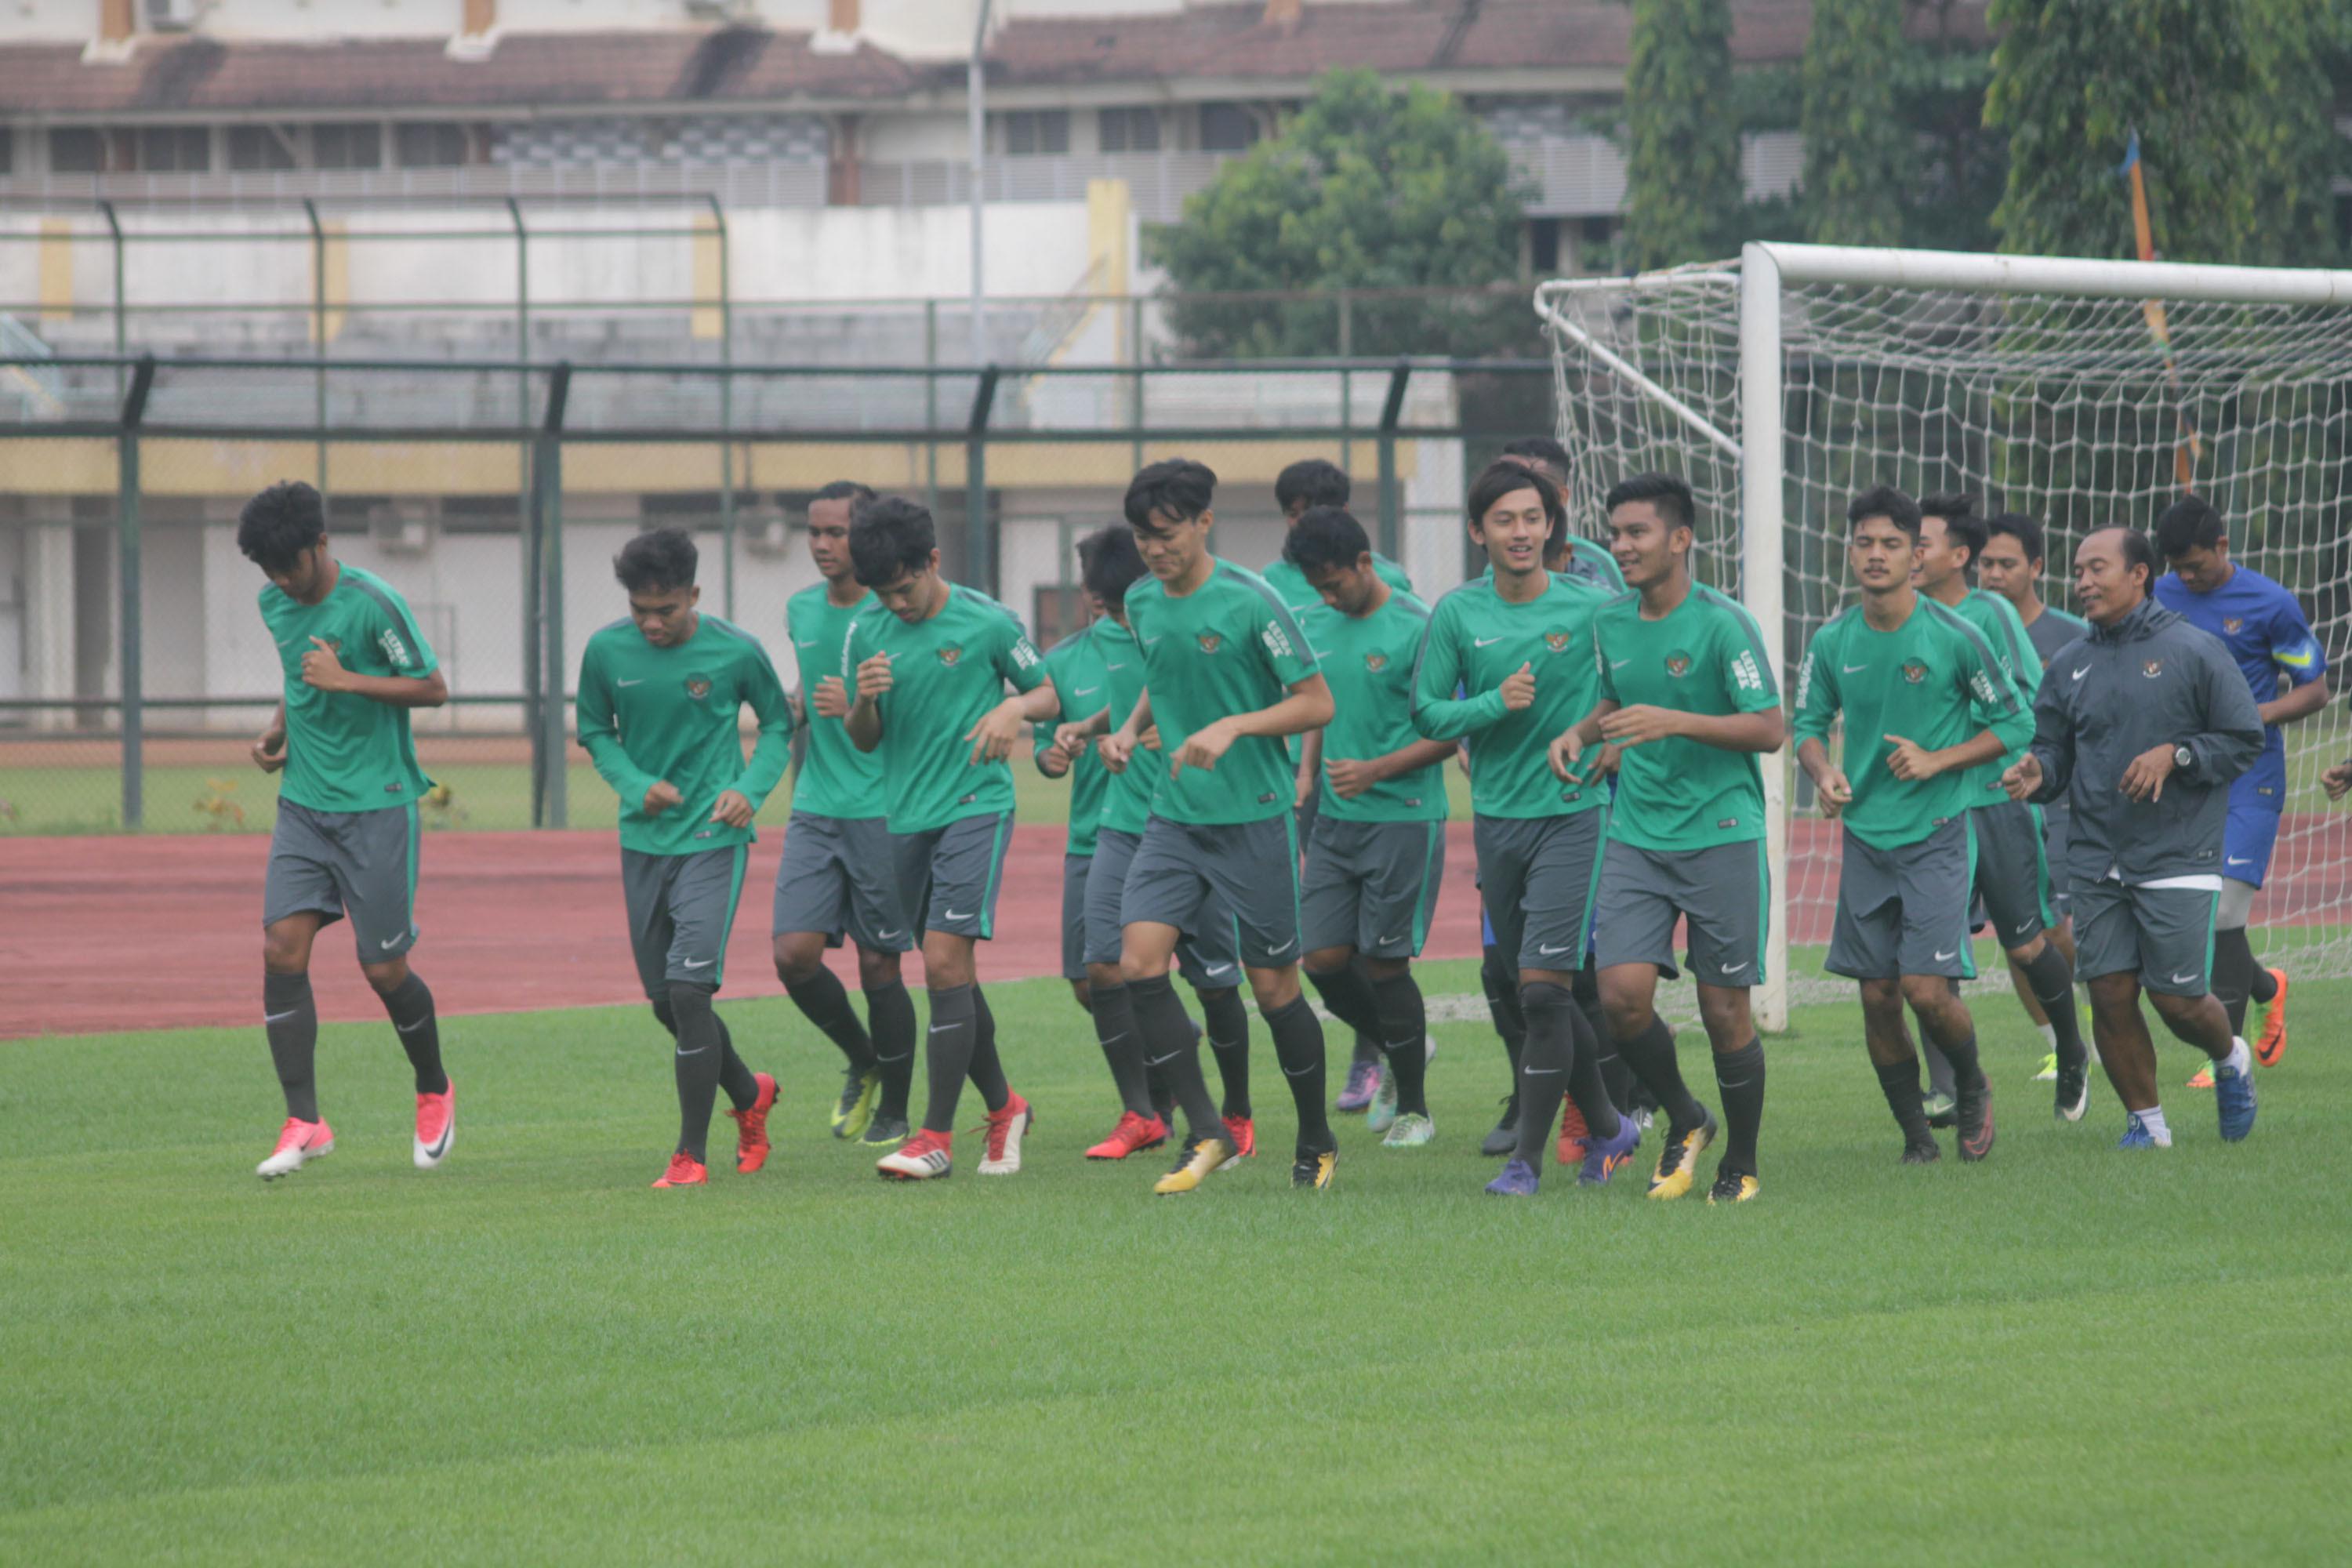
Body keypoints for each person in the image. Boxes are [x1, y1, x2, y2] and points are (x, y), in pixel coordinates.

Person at [1101, 458, 1340, 1193]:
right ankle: (1208, 1132)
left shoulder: (1251, 603)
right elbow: (1161, 674)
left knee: (1274, 992)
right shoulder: (1141, 601)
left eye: (1167, 534)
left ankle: (1317, 1138)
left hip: (1255, 822)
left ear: (1205, 523)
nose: (1154, 549)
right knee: (1137, 966)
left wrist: (1234, 725)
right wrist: (1128, 727)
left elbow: (1316, 702)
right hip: (1174, 818)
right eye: (1143, 537)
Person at [1552, 473, 1783, 1204]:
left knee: (1724, 1012)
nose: (1621, 546)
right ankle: (1687, 1117)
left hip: (1721, 834)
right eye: (1615, 533)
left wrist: (1673, 721)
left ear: (1681, 539)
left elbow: (1770, 729)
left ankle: (1740, 1163)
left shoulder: (1724, 624)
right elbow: (1619, 698)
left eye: (1637, 533)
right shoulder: (1610, 622)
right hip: (1637, 833)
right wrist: (1582, 732)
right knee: (1621, 998)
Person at [1413, 460, 1640, 1197]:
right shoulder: (1456, 614)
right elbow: (1426, 714)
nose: (1522, 532)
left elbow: (1630, 688)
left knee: (1544, 992)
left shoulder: (1593, 607)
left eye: (1533, 518)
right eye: (1505, 520)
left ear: (1552, 526)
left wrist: (1604, 738)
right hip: (1498, 823)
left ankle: (1529, 1160)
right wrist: (1492, 706)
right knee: (1532, 988)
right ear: (1479, 531)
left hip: (1575, 815)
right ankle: (1612, 1126)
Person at [2002, 527, 2266, 1149]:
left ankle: (2231, 1056)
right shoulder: (2068, 663)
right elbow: (2052, 750)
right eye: (2079, 571)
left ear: (2139, 574)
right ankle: (2148, 1125)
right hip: (2096, 856)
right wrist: (2038, 773)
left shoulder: (2195, 650)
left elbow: (2243, 738)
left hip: (2178, 850)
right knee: (2111, 992)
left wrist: (2175, 755)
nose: (2084, 582)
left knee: (2176, 1002)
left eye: (2098, 569)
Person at [1792, 485, 2028, 1165]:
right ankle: (1915, 1135)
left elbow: (2014, 723)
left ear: (1915, 554)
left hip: (1938, 833)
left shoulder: (1957, 636)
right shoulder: (1834, 639)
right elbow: (1806, 726)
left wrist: (1939, 760)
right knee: (1877, 998)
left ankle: (1974, 1086)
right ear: (1850, 551)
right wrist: (1823, 771)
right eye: (1864, 543)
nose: (1875, 555)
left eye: (1891, 544)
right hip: (1866, 839)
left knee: (1926, 990)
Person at [240, 481, 456, 1181]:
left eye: (291, 567)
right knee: (281, 948)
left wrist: (347, 681)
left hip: (378, 805)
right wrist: (278, 730)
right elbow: (300, 677)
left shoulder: (371, 603)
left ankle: (433, 1089)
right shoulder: (275, 601)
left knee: (383, 968)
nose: (281, 582)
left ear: (322, 545)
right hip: (303, 803)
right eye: (269, 572)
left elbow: (431, 686)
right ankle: (306, 1119)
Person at [844, 499, 1060, 1181]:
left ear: (933, 562)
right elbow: (862, 739)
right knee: (952, 974)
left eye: (904, 587)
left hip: (977, 805)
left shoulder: (990, 622)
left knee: (941, 963)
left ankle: (934, 1137)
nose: (895, 603)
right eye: (882, 592)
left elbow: (1050, 694)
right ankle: (1005, 1107)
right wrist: (865, 699)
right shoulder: (865, 630)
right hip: (905, 816)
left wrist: (1012, 706)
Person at [576, 527, 791, 1189]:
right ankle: (750, 1092)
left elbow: (779, 724)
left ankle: (689, 1156)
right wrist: (635, 785)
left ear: (693, 595)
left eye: (665, 610)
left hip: (711, 840)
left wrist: (749, 790)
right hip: (642, 843)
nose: (651, 623)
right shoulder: (606, 651)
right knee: (666, 1003)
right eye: (640, 609)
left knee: (691, 990)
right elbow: (593, 729)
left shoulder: (734, 651)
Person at [1052, 525, 1258, 1163]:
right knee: (1102, 969)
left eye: (1117, 605)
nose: (1112, 618)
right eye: (1102, 605)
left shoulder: (1185, 622)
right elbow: (1123, 705)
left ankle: (1239, 1112)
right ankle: (1142, 1112)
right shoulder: (1105, 638)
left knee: (1216, 982)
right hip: (1118, 824)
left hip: (1195, 821)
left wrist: (1184, 733)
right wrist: (1092, 731)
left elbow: (1231, 700)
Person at [1914, 496, 2092, 1122]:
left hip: (1995, 801)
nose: (1907, 553)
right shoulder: (1899, 616)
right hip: (1927, 811)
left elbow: (2025, 704)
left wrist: (2023, 762)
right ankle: (1950, 1088)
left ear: (1955, 555)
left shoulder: (1989, 614)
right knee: (1929, 956)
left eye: (1920, 542)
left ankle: (2071, 1049)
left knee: (2025, 944)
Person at [1287, 506, 1457, 1149]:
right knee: (1323, 960)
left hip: (1405, 819)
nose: (1328, 597)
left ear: (1365, 563)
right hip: (1335, 816)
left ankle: (1413, 1108)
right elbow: (1320, 706)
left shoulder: (1420, 626)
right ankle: (1404, 1045)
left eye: (1335, 583)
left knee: (1386, 967)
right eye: (1318, 588)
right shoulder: (1315, 625)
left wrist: (1377, 769)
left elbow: (1452, 729)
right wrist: (1308, 772)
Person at [2153, 497, 2330, 1078]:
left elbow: (2315, 688)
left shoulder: (2270, 604)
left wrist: (2257, 715)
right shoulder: (2159, 595)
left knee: (2226, 911)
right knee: (2199, 910)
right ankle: (2266, 985)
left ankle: (2223, 1054)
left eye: (2196, 566)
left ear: (2223, 548)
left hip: (2252, 774)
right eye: (2178, 567)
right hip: (2184, 772)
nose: (2187, 577)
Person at [1261, 457, 1410, 1116]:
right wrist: (1302, 769)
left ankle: (1374, 1058)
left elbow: (1423, 685)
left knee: (1378, 950)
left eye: (1315, 510)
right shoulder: (1269, 584)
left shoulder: (1399, 593)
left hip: (1388, 785)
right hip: (1300, 769)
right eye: (1294, 512)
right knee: (1322, 943)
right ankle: (1387, 1041)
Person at [771, 481, 919, 1149]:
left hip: (882, 809)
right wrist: (791, 708)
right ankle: (865, 1059)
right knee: (793, 957)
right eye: (815, 532)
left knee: (879, 966)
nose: (824, 545)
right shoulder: (800, 609)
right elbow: (808, 683)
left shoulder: (894, 616)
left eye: (837, 532)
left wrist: (857, 708)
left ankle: (896, 1108)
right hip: (814, 807)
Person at [1977, 511, 2092, 1081]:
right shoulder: (1963, 629)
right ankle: (2059, 1043)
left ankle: (2075, 1023)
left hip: (2062, 806)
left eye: (2007, 563)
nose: (1994, 574)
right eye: (1986, 563)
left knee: (2054, 930)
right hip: (1991, 803)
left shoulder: (2073, 635)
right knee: (2015, 932)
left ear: (2037, 567)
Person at [1499, 436, 1626, 592]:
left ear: (1562, 496)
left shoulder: (1597, 564)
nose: (1512, 491)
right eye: (1503, 482)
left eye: (1528, 483)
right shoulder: (1497, 558)